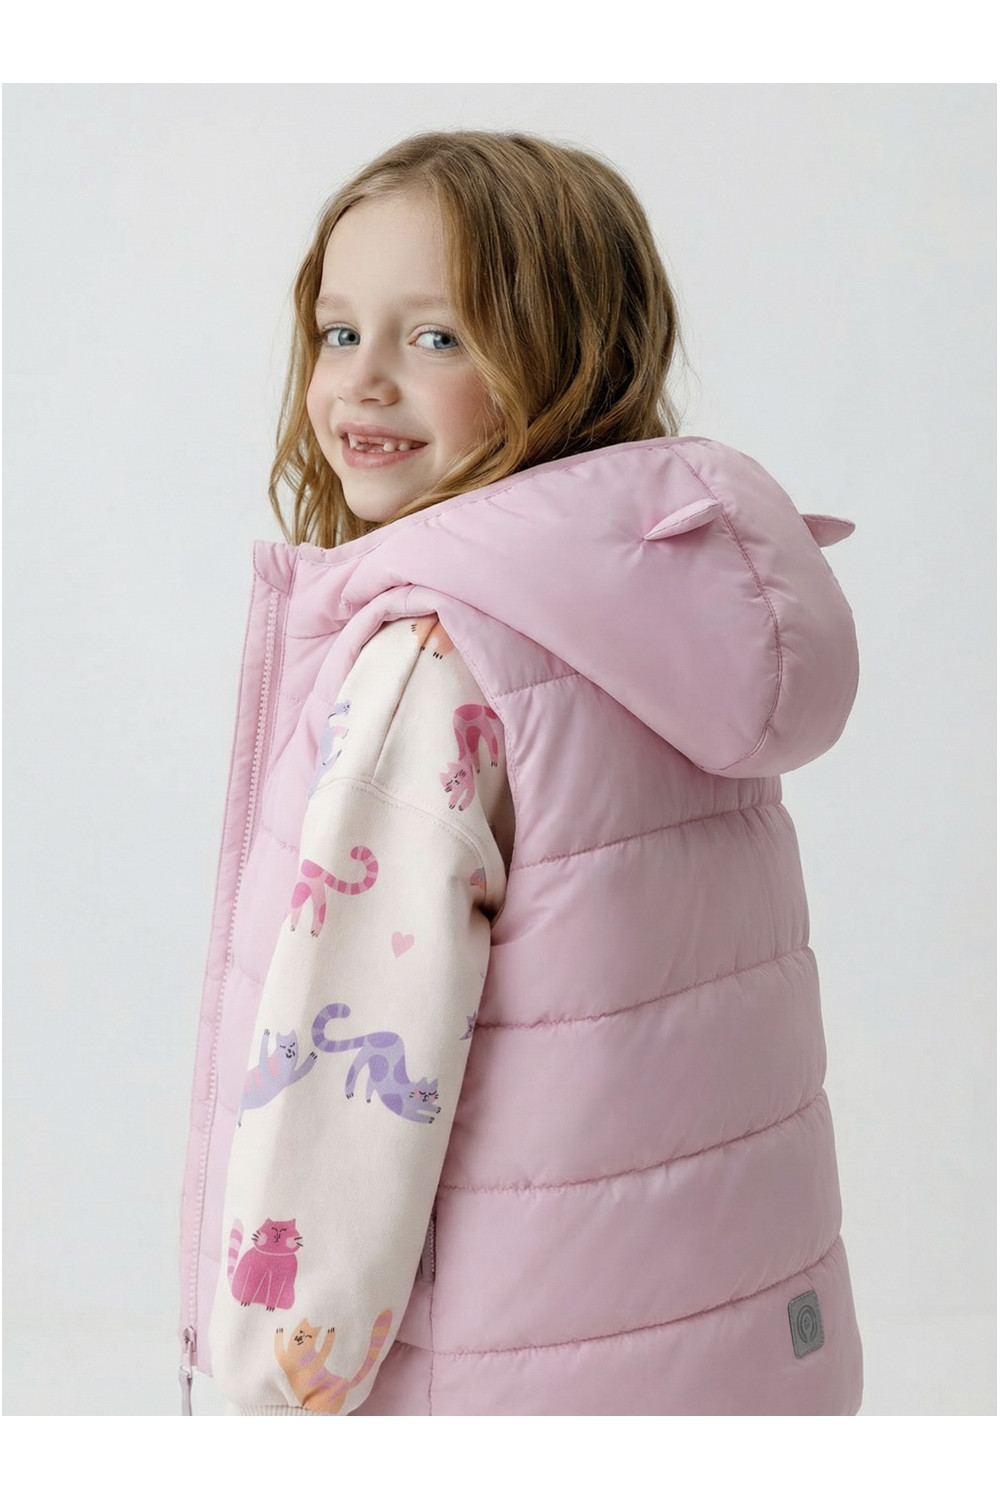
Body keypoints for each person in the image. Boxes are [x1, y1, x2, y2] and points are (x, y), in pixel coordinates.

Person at [178, 130, 863, 1416]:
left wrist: (274, 1388)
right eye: (339, 332)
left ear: (568, 357)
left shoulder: (434, 664)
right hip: (735, 1355)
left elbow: (349, 1066)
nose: (361, 381)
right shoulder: (665, 614)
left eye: (436, 337)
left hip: (497, 1387)